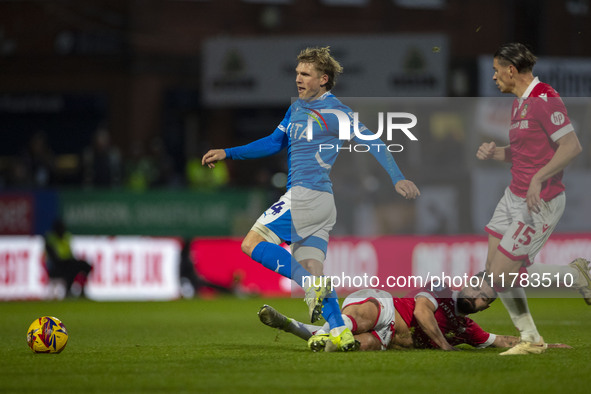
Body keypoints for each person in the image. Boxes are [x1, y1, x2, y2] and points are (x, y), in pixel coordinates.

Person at [202, 47, 420, 351]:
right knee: (315, 270)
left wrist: (398, 178)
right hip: (321, 205)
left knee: (251, 243)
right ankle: (341, 332)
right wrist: (230, 152)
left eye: (305, 74)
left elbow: (373, 141)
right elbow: (273, 142)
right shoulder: (296, 109)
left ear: (323, 79)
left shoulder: (336, 112)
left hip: (305, 195)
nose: (298, 79)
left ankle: (309, 286)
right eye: (297, 73)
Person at [476, 43, 583, 355]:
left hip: (541, 200)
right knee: (493, 270)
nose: (494, 77)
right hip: (514, 195)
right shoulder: (518, 103)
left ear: (511, 70)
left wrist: (538, 177)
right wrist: (497, 153)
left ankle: (576, 276)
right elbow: (527, 151)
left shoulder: (544, 100)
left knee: (498, 275)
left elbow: (571, 146)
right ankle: (531, 340)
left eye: (497, 71)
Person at [259, 274, 525, 352]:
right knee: (358, 320)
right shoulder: (441, 288)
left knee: (352, 345)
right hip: (385, 309)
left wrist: (539, 344)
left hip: (386, 339)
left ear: (485, 307)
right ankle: (326, 305)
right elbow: (422, 310)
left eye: (483, 298)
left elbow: (502, 340)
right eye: (476, 287)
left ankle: (290, 325)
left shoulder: (467, 329)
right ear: (468, 281)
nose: (475, 295)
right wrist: (444, 345)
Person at [44, 218, 93, 298]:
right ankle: (68, 290)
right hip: (56, 267)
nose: (62, 230)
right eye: (60, 229)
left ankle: (82, 290)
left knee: (85, 266)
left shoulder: (67, 237)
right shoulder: (50, 239)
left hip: (67, 263)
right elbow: (54, 258)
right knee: (70, 269)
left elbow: (70, 253)